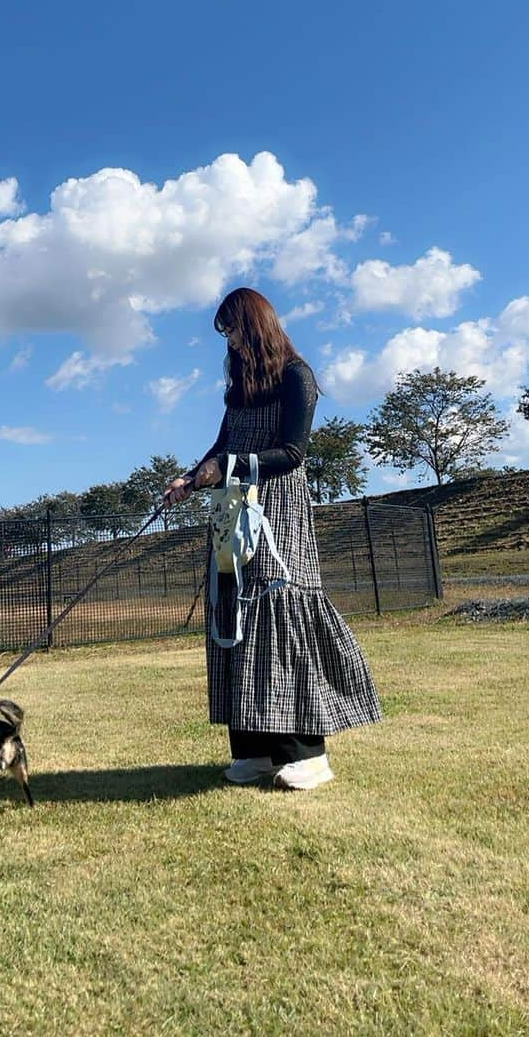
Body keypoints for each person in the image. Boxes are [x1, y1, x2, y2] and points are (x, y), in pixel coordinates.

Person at [164, 287, 382, 790]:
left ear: (255, 325)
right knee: (232, 612)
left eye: (236, 331)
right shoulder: (240, 387)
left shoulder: (296, 377)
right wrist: (192, 476)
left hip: (278, 512)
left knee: (275, 610)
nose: (233, 343)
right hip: (231, 514)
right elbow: (222, 445)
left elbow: (293, 452)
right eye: (227, 336)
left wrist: (231, 466)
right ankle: (254, 748)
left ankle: (306, 752)